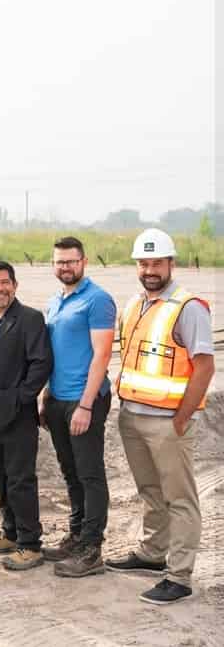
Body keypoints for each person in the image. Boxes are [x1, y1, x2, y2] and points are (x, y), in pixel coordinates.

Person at [105, 229, 214, 605]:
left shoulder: (189, 307)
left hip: (168, 421)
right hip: (133, 415)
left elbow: (204, 367)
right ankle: (153, 555)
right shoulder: (134, 305)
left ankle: (180, 575)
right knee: (150, 491)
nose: (149, 270)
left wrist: (182, 417)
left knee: (179, 497)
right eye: (143, 263)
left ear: (171, 263)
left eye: (156, 263)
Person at [42, 236, 117, 578]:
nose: (65, 267)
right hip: (57, 399)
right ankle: (76, 535)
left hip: (85, 400)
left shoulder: (98, 300)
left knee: (89, 473)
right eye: (60, 262)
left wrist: (85, 406)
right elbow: (53, 354)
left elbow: (102, 354)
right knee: (70, 471)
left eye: (71, 261)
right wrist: (46, 396)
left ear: (84, 261)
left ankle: (91, 549)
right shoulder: (54, 302)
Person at [0, 262, 52, 570]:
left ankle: (30, 545)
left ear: (14, 286)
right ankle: (10, 532)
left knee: (20, 480)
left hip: (18, 416)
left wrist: (20, 398)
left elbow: (41, 363)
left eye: (5, 282)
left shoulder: (30, 318)